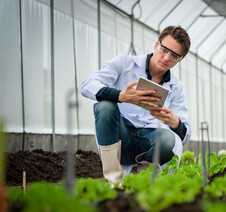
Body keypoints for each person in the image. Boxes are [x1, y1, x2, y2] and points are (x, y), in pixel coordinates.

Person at [81, 26, 191, 185]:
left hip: (148, 141)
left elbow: (185, 135)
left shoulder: (176, 87)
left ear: (180, 59)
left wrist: (175, 123)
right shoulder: (125, 63)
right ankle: (114, 179)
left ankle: (154, 178)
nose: (166, 57)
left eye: (174, 55)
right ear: (156, 45)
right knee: (105, 106)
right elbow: (87, 85)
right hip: (120, 136)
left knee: (169, 139)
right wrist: (120, 96)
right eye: (164, 49)